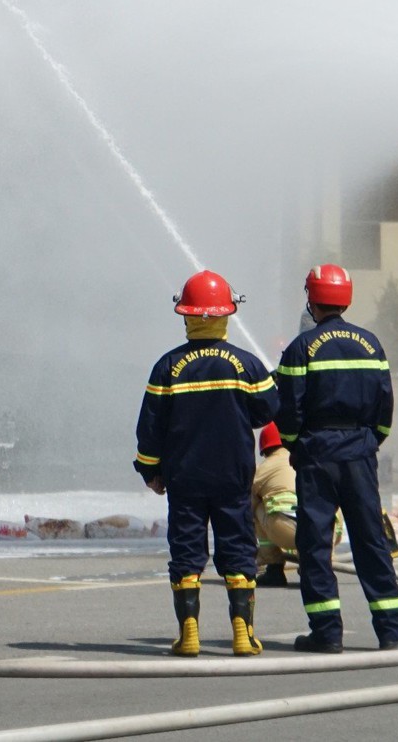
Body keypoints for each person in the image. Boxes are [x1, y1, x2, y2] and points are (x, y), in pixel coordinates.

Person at [134, 270, 279, 657]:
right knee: (238, 550)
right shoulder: (246, 364)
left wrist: (151, 471)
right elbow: (269, 410)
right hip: (232, 477)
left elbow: (149, 429)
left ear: (187, 315)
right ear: (226, 315)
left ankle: (189, 634)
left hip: (185, 479)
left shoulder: (167, 367)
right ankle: (243, 634)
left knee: (186, 553)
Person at [275, 263, 398, 653]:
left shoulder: (301, 348)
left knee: (315, 545)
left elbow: (289, 408)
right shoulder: (371, 344)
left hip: (316, 454)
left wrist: (296, 445)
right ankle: (392, 631)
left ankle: (327, 633)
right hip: (361, 453)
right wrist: (370, 442)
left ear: (312, 300)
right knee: (371, 540)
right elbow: (385, 404)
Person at [252, 421, 298, 587]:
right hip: (327, 532)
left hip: (288, 531)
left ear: (266, 449)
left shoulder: (264, 468)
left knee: (258, 507)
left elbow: (245, 508)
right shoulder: (309, 456)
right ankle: (316, 563)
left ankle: (273, 567)